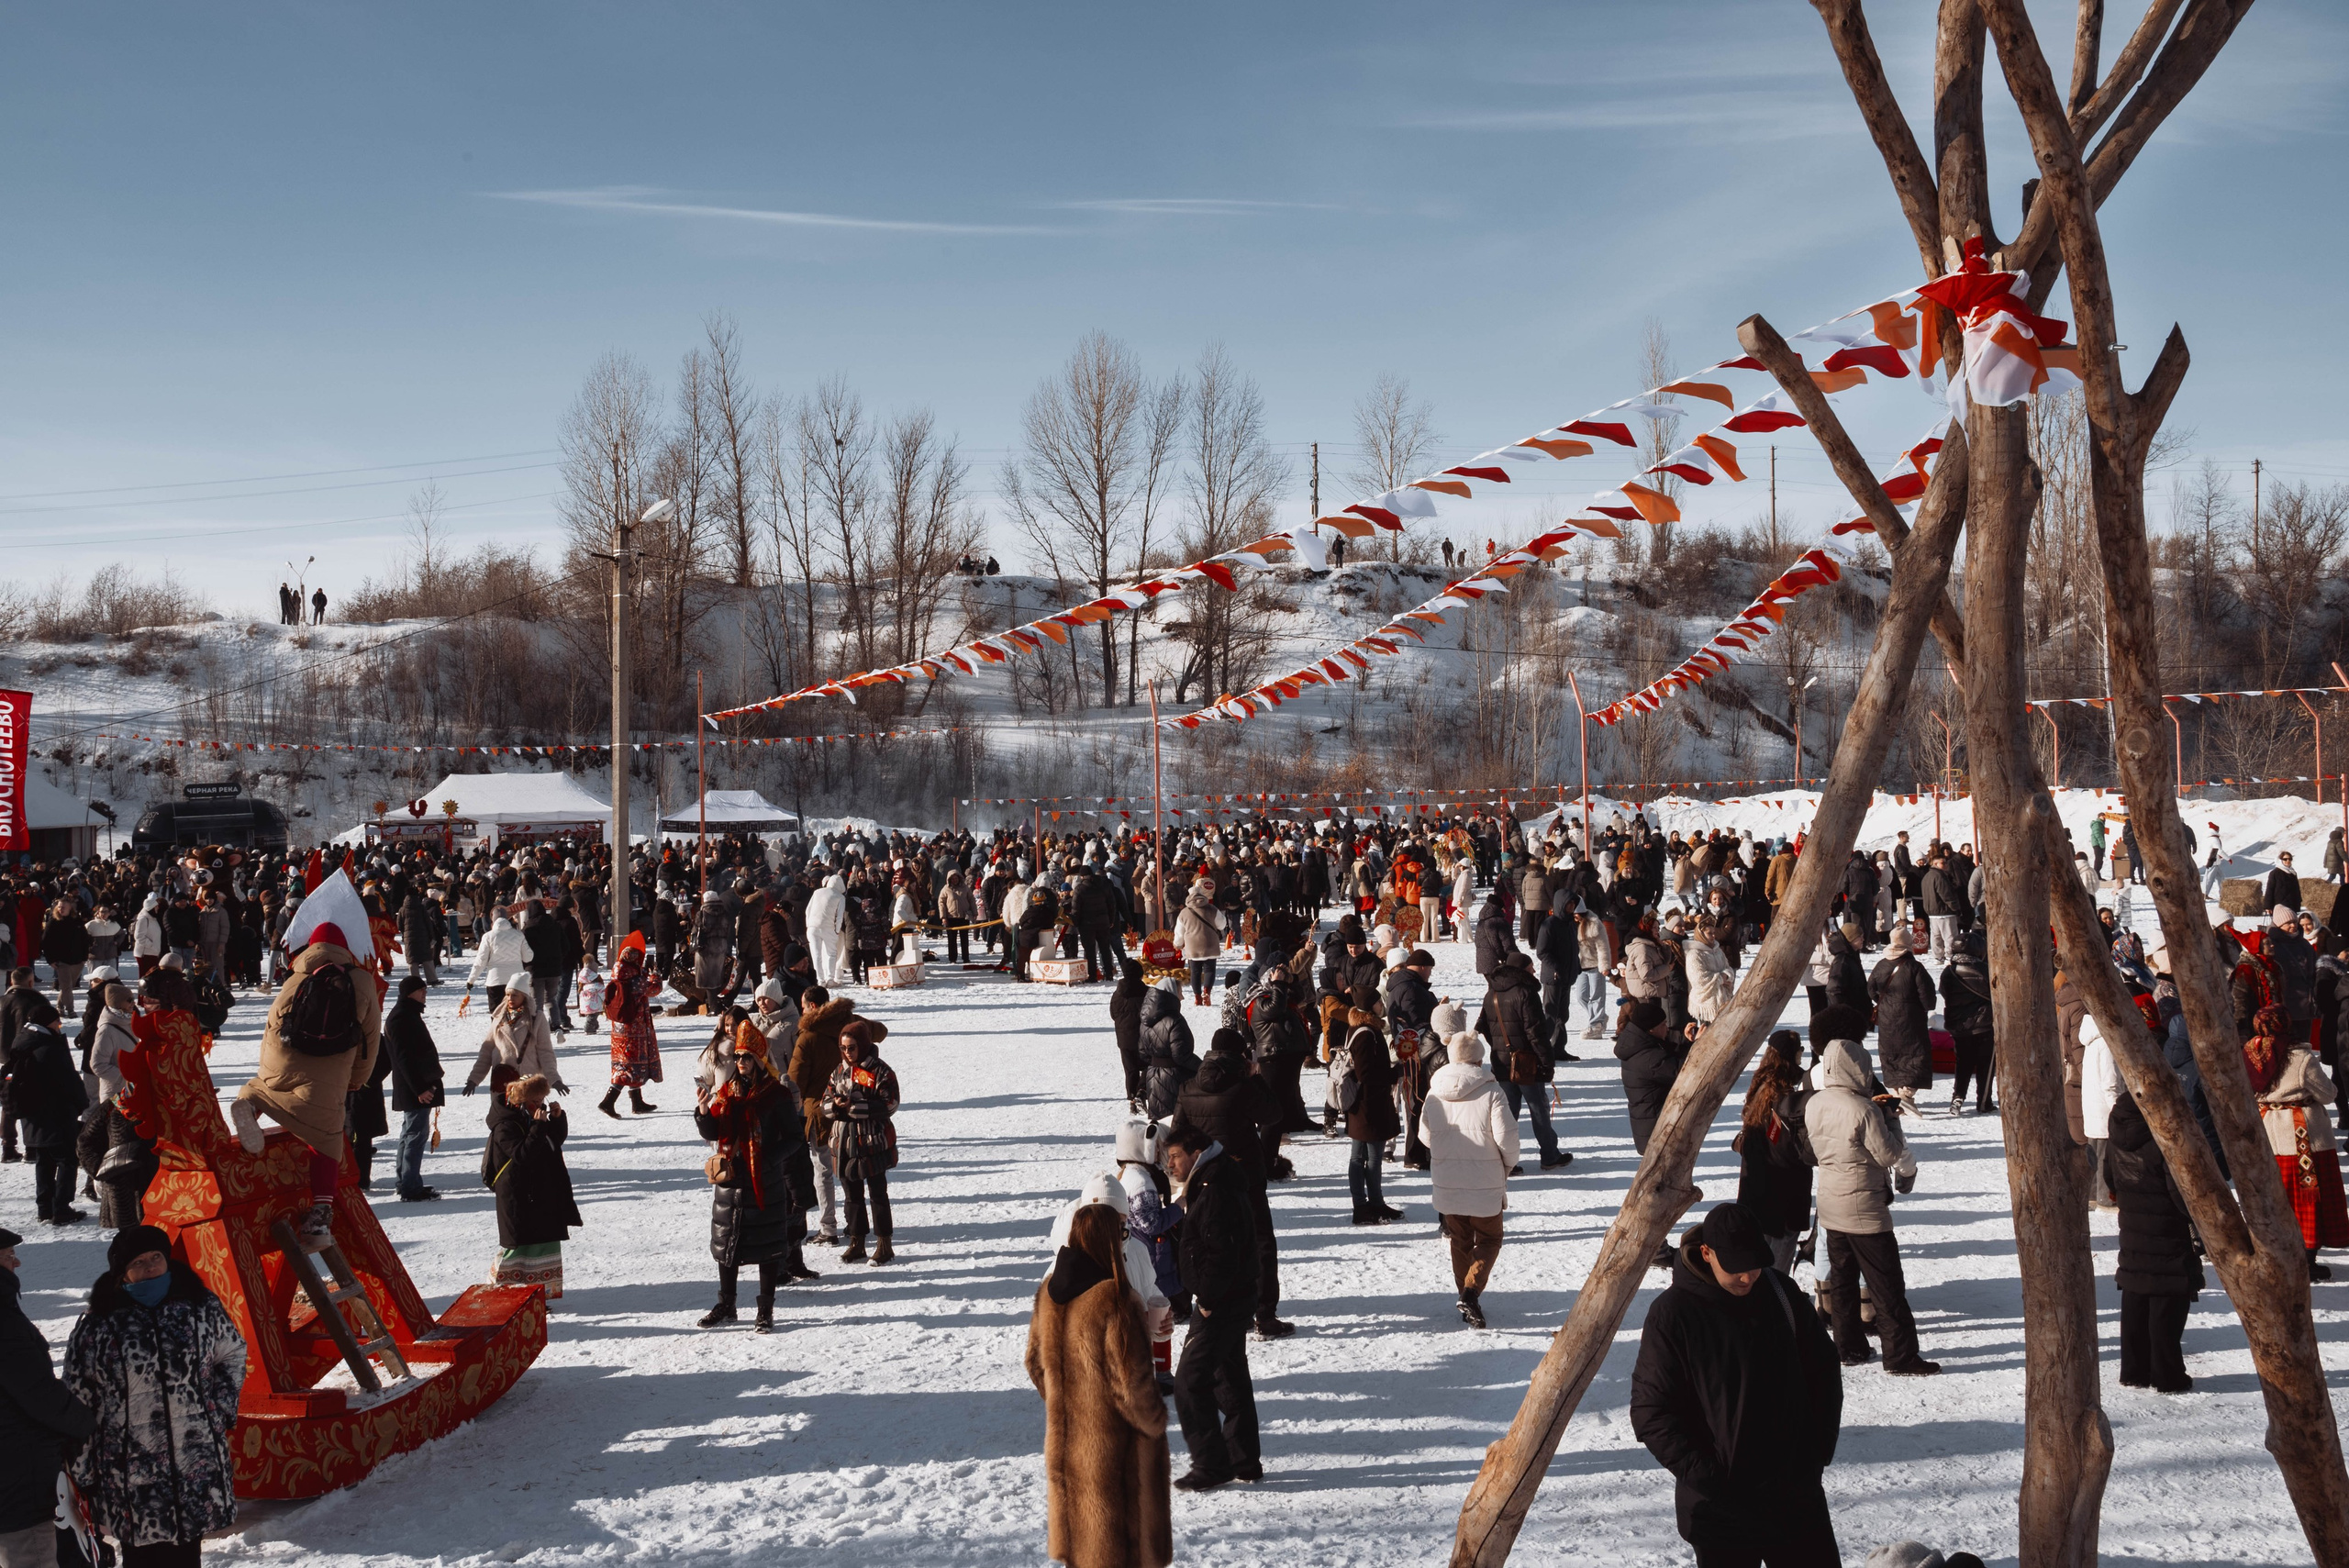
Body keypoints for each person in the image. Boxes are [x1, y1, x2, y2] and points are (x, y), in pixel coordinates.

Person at [1631, 1203, 1843, 1568]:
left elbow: (1823, 1372)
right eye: (1736, 1268)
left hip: (1795, 1498)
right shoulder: (1673, 1314)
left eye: (1754, 1265)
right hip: (1720, 1511)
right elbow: (1652, 1411)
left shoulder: (1781, 1293)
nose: (1747, 1278)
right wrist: (1710, 1478)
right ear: (1707, 1253)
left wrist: (1816, 1451)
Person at [63, 1225, 247, 1567]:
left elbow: (232, 1355)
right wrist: (83, 1469)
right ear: (122, 1272)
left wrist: (218, 1409)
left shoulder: (199, 1306)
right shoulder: (98, 1325)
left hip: (194, 1460)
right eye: (138, 1262)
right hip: (131, 1471)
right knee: (142, 1556)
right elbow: (79, 1397)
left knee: (188, 1552)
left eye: (156, 1257)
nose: (150, 1267)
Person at [1025, 1202, 1173, 1568]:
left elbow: (1034, 1362)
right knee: (1115, 1550)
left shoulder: (1048, 1293)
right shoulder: (1114, 1302)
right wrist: (1155, 1421)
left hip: (1065, 1446)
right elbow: (1133, 1387)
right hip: (1110, 1455)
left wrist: (1066, 1397)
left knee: (1080, 1548)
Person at [230, 920, 383, 1247]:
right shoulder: (360, 980)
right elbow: (370, 1037)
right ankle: (318, 1219)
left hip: (282, 1061)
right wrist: (357, 1079)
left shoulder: (297, 976)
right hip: (329, 1070)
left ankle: (253, 1102)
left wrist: (268, 1072)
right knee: (326, 1139)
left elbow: (272, 1024)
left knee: (259, 1088)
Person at [1805, 1038, 1939, 1375]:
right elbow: (1889, 1154)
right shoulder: (1862, 1109)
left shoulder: (1816, 1103)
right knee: (1887, 1285)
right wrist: (1889, 1120)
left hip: (1830, 1203)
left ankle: (1847, 1346)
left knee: (1843, 1280)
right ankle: (1901, 1355)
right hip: (1864, 1208)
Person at [1165, 1123, 1262, 1491]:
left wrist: (1207, 1299)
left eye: (1174, 1157)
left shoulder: (1214, 1186)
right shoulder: (1210, 1179)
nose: (1170, 1165)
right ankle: (1244, 1461)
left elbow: (1223, 1250)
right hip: (1230, 1296)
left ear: (1195, 1152)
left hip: (1221, 1301)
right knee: (1228, 1378)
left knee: (1190, 1382)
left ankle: (1211, 1464)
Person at [696, 1039, 817, 1329]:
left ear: (761, 1060)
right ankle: (727, 1305)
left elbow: (794, 1138)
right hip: (730, 1180)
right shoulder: (727, 1092)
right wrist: (702, 1112)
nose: (741, 1063)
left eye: (747, 1057)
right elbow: (713, 1131)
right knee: (727, 1243)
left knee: (768, 1246)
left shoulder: (777, 1095)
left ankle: (765, 1309)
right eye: (738, 1057)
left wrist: (767, 1161)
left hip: (765, 1182)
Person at [0, 1225, 95, 1568]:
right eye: (9, 1257)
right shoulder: (4, 1322)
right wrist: (86, 1423)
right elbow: (38, 1392)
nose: (18, 1263)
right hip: (18, 1482)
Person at [1419, 1029, 1519, 1328]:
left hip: (1448, 1180)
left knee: (1459, 1239)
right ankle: (1471, 1292)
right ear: (1478, 1058)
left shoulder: (1434, 1090)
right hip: (1484, 1181)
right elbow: (1508, 1141)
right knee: (1490, 1238)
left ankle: (1465, 1293)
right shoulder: (1492, 1091)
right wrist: (1508, 1166)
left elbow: (1425, 1136)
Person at [2105, 1091, 2199, 1392]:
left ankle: (2134, 1370)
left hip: (2133, 1224)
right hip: (2167, 1229)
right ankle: (2168, 1376)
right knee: (2166, 1302)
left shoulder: (2119, 1130)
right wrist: (2199, 1221)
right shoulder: (2163, 1138)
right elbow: (2180, 1194)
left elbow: (2109, 1177)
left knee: (2136, 1293)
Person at [2247, 1004, 2348, 1279]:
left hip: (2269, 1130)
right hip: (2303, 1136)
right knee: (2308, 1194)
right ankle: (2306, 1258)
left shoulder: (2250, 1052)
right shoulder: (2299, 1057)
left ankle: (2277, 1251)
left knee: (2277, 1193)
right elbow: (2328, 1094)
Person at [484, 1072, 582, 1302]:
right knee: (517, 1248)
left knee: (544, 1243)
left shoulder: (532, 1118)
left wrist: (557, 1120)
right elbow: (522, 1154)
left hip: (541, 1194)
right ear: (520, 1100)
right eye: (535, 1101)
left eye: (542, 1100)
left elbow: (551, 1144)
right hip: (519, 1197)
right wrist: (538, 1126)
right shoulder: (505, 1125)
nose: (540, 1105)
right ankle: (500, 1295)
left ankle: (537, 1296)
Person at [1735, 1029, 1814, 1273]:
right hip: (1782, 1187)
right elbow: (1786, 1148)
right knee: (1781, 1247)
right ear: (1792, 1055)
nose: (1803, 1054)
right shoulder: (1786, 1094)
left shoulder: (1761, 1083)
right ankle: (1776, 1296)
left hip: (1757, 1185)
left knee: (1762, 1243)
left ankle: (1763, 1291)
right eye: (1800, 1050)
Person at [823, 1018, 901, 1264]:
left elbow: (891, 1103)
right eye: (844, 1048)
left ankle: (884, 1244)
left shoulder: (880, 1071)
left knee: (878, 1194)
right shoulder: (839, 1071)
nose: (847, 1053)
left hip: (872, 1143)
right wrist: (834, 1107)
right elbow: (824, 1100)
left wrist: (856, 1107)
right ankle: (856, 1241)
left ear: (864, 1045)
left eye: (852, 1048)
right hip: (844, 1143)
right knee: (851, 1196)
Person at [8, 996, 87, 1224]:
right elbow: (69, 1081)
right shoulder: (49, 1048)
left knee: (44, 1160)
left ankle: (45, 1207)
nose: (59, 1025)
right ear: (47, 1023)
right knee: (66, 1160)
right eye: (57, 1022)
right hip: (56, 1113)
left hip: (34, 1115)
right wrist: (80, 1103)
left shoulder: (23, 1041)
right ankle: (61, 1208)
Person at [1341, 983, 1402, 1224]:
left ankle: (1366, 1205)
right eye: (1378, 1001)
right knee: (1370, 1157)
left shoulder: (1356, 1028)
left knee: (1358, 1156)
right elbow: (1366, 1073)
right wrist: (1394, 1073)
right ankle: (1370, 1205)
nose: (1382, 1004)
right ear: (1370, 1006)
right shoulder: (1367, 1032)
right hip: (1369, 1104)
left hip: (1361, 1104)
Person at [383, 973, 444, 1202]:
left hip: (416, 1086)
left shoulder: (407, 1014)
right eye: (421, 990)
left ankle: (407, 1182)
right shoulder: (401, 1017)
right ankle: (409, 1186)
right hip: (415, 1088)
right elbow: (403, 1058)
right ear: (410, 993)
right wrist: (420, 1089)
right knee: (415, 1135)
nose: (425, 994)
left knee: (410, 1133)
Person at [1868, 938, 1937, 1116]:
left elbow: (1870, 989)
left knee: (1891, 1053)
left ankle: (1898, 1092)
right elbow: (1928, 998)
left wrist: (1885, 1004)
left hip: (1886, 1018)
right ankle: (1907, 1095)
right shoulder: (1915, 967)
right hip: (1911, 1018)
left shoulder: (1881, 965)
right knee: (1916, 1054)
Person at [464, 986, 567, 1096]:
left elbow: (545, 1052)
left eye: (515, 995)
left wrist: (554, 1079)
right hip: (501, 1082)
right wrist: (474, 1079)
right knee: (502, 1113)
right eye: (508, 995)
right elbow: (487, 1051)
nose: (510, 998)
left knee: (529, 1112)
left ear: (524, 996)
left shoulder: (537, 1018)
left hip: (528, 1082)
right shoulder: (499, 1017)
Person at [598, 940, 661, 1118]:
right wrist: (655, 974)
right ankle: (608, 1102)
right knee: (628, 1067)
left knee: (629, 1064)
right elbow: (654, 989)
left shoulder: (619, 974)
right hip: (635, 1029)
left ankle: (637, 1102)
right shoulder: (635, 979)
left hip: (619, 1029)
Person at [1614, 998, 1684, 1157]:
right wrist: (1698, 1045)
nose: (1667, 1028)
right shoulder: (1649, 1058)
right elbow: (1682, 1071)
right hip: (1656, 1129)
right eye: (1663, 1025)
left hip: (1650, 1123)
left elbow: (1668, 1050)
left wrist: (1686, 1041)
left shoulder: (1637, 1043)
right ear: (1651, 1030)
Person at [1939, 930, 1996, 1115]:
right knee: (1985, 1065)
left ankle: (1958, 1096)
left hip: (1958, 1025)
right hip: (1984, 1025)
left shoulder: (1949, 972)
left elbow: (1945, 994)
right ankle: (1984, 1101)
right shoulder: (1985, 970)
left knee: (1963, 1063)